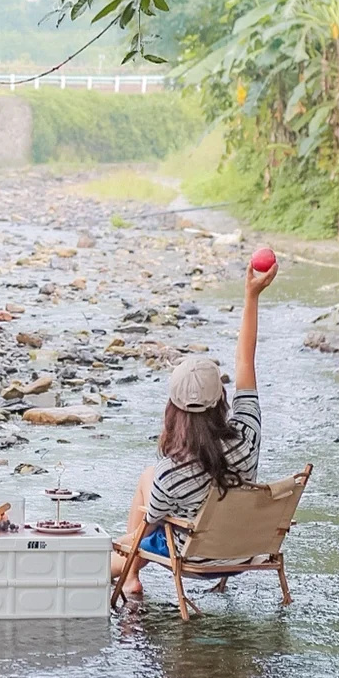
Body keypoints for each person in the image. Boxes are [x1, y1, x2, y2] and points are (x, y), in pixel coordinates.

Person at [112, 255, 278, 599]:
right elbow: (246, 360)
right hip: (243, 551)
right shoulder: (248, 434)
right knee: (148, 478)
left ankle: (125, 578)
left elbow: (146, 531)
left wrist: (104, 543)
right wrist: (252, 295)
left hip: (194, 557)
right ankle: (127, 579)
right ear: (221, 400)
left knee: (137, 532)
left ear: (173, 409)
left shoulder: (172, 473)